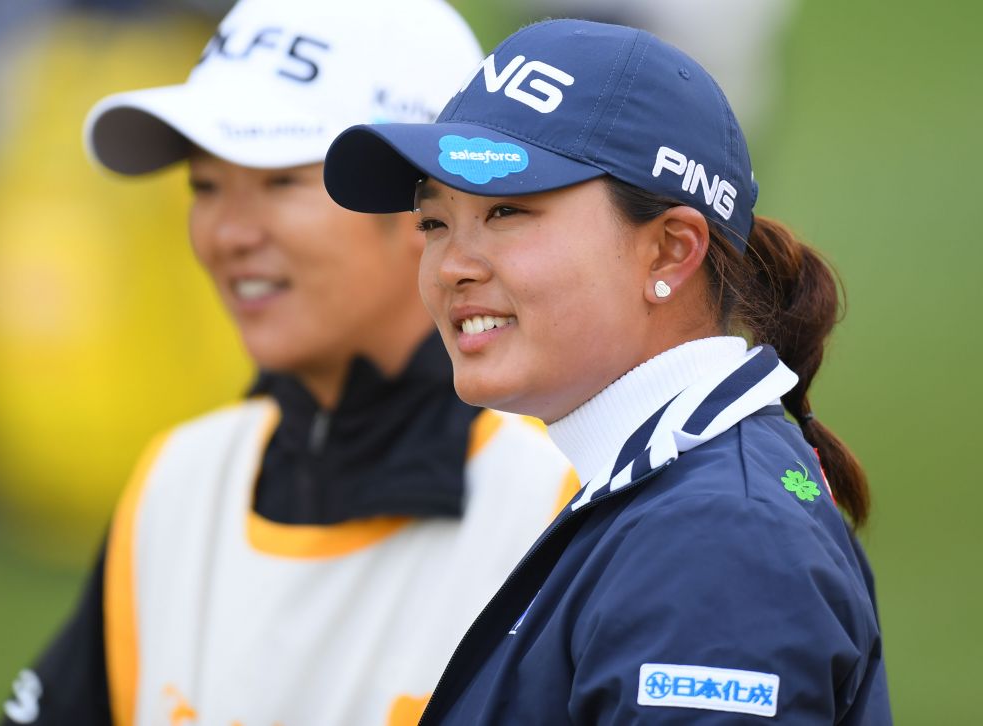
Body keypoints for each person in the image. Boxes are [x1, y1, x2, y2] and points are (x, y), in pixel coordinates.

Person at [0, 2, 579, 725]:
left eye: (281, 182)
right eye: (204, 187)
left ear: (429, 208)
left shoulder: (568, 500)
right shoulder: (178, 483)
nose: (230, 233)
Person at [323, 19, 892, 725]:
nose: (451, 268)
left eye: (506, 211)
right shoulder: (675, 500)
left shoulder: (715, 543)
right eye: (434, 224)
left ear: (669, 253)